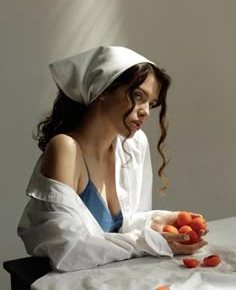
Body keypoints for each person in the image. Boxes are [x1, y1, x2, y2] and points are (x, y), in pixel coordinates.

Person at [17, 46, 207, 272]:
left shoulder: (135, 144)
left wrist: (159, 221)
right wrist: (148, 242)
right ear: (102, 90)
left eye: (151, 103)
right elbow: (67, 250)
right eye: (138, 96)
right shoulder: (65, 149)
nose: (146, 111)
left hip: (120, 277)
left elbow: (127, 225)